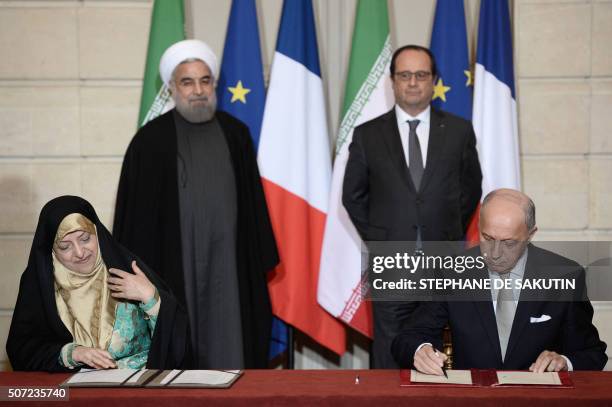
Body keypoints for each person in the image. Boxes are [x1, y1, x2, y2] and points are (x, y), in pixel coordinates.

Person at [113, 39, 278, 369]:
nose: (198, 90)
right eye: (187, 82)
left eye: (205, 81)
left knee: (234, 348)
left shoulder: (236, 134)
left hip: (230, 271)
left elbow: (253, 211)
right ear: (172, 88)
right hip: (172, 272)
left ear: (214, 85)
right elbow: (136, 222)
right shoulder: (149, 142)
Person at [342, 44, 482, 368]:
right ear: (392, 81)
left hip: (443, 266)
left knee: (441, 355)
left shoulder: (459, 131)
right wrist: (383, 240)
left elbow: (470, 189)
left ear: (433, 80)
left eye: (421, 74)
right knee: (390, 354)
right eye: (405, 75)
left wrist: (446, 233)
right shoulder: (368, 135)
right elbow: (353, 196)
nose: (413, 82)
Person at [392, 189, 607, 373]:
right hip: (472, 400)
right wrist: (420, 350)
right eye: (487, 238)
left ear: (531, 234)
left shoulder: (565, 276)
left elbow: (592, 354)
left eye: (509, 242)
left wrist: (565, 362)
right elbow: (407, 338)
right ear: (479, 227)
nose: (495, 253)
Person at [7, 196, 190, 372]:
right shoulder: (40, 285)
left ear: (97, 233)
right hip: (72, 397)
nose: (79, 252)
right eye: (65, 246)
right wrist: (72, 353)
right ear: (52, 250)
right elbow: (22, 351)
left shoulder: (129, 270)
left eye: (85, 238)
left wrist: (151, 299)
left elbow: (179, 339)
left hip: (137, 392)